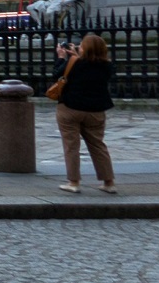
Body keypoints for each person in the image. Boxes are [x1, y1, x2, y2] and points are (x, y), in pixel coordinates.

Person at [50, 32, 118, 194]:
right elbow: (89, 67)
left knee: (71, 146)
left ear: (85, 49)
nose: (79, 46)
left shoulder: (74, 63)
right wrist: (76, 55)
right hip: (96, 111)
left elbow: (56, 74)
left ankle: (74, 182)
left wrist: (61, 57)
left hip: (70, 108)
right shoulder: (107, 66)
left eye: (82, 45)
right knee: (98, 145)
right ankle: (109, 183)